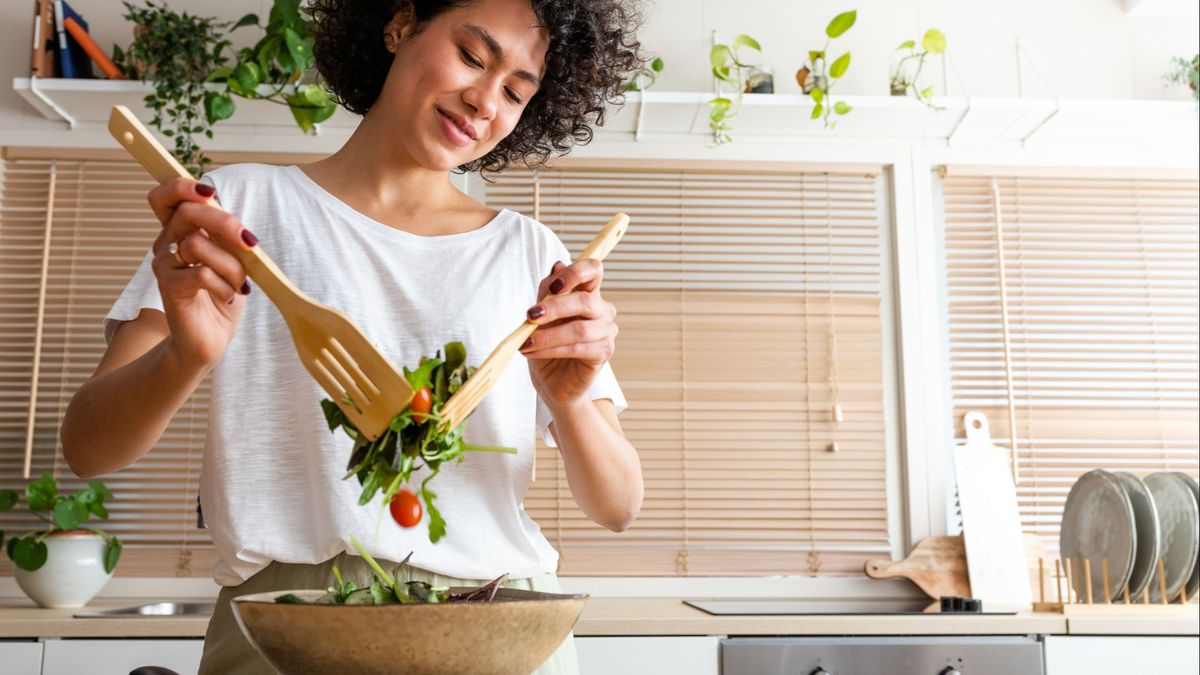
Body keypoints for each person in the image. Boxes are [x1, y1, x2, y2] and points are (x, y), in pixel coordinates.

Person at [59, 1, 645, 672]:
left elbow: (620, 503)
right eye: (472, 57)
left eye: (515, 90)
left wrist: (570, 402)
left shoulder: (528, 252)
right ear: (399, 25)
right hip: (286, 626)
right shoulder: (240, 211)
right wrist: (186, 356)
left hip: (499, 622)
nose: (485, 100)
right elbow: (87, 449)